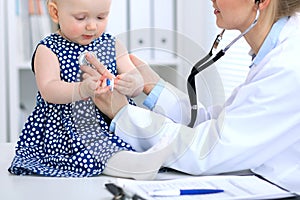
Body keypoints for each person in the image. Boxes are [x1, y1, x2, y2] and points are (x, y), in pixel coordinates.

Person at [82, 0, 300, 189]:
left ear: (260, 1)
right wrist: (154, 86)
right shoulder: (274, 52)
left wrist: (123, 115)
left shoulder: (288, 65)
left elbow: (207, 150)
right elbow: (215, 124)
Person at [8, 0, 144, 177]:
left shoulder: (113, 45)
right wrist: (81, 90)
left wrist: (132, 83)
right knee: (92, 152)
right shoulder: (48, 49)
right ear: (55, 13)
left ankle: (134, 160)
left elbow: (136, 77)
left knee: (137, 140)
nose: (92, 26)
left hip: (112, 120)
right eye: (81, 18)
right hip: (66, 128)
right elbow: (49, 89)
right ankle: (126, 164)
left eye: (101, 17)